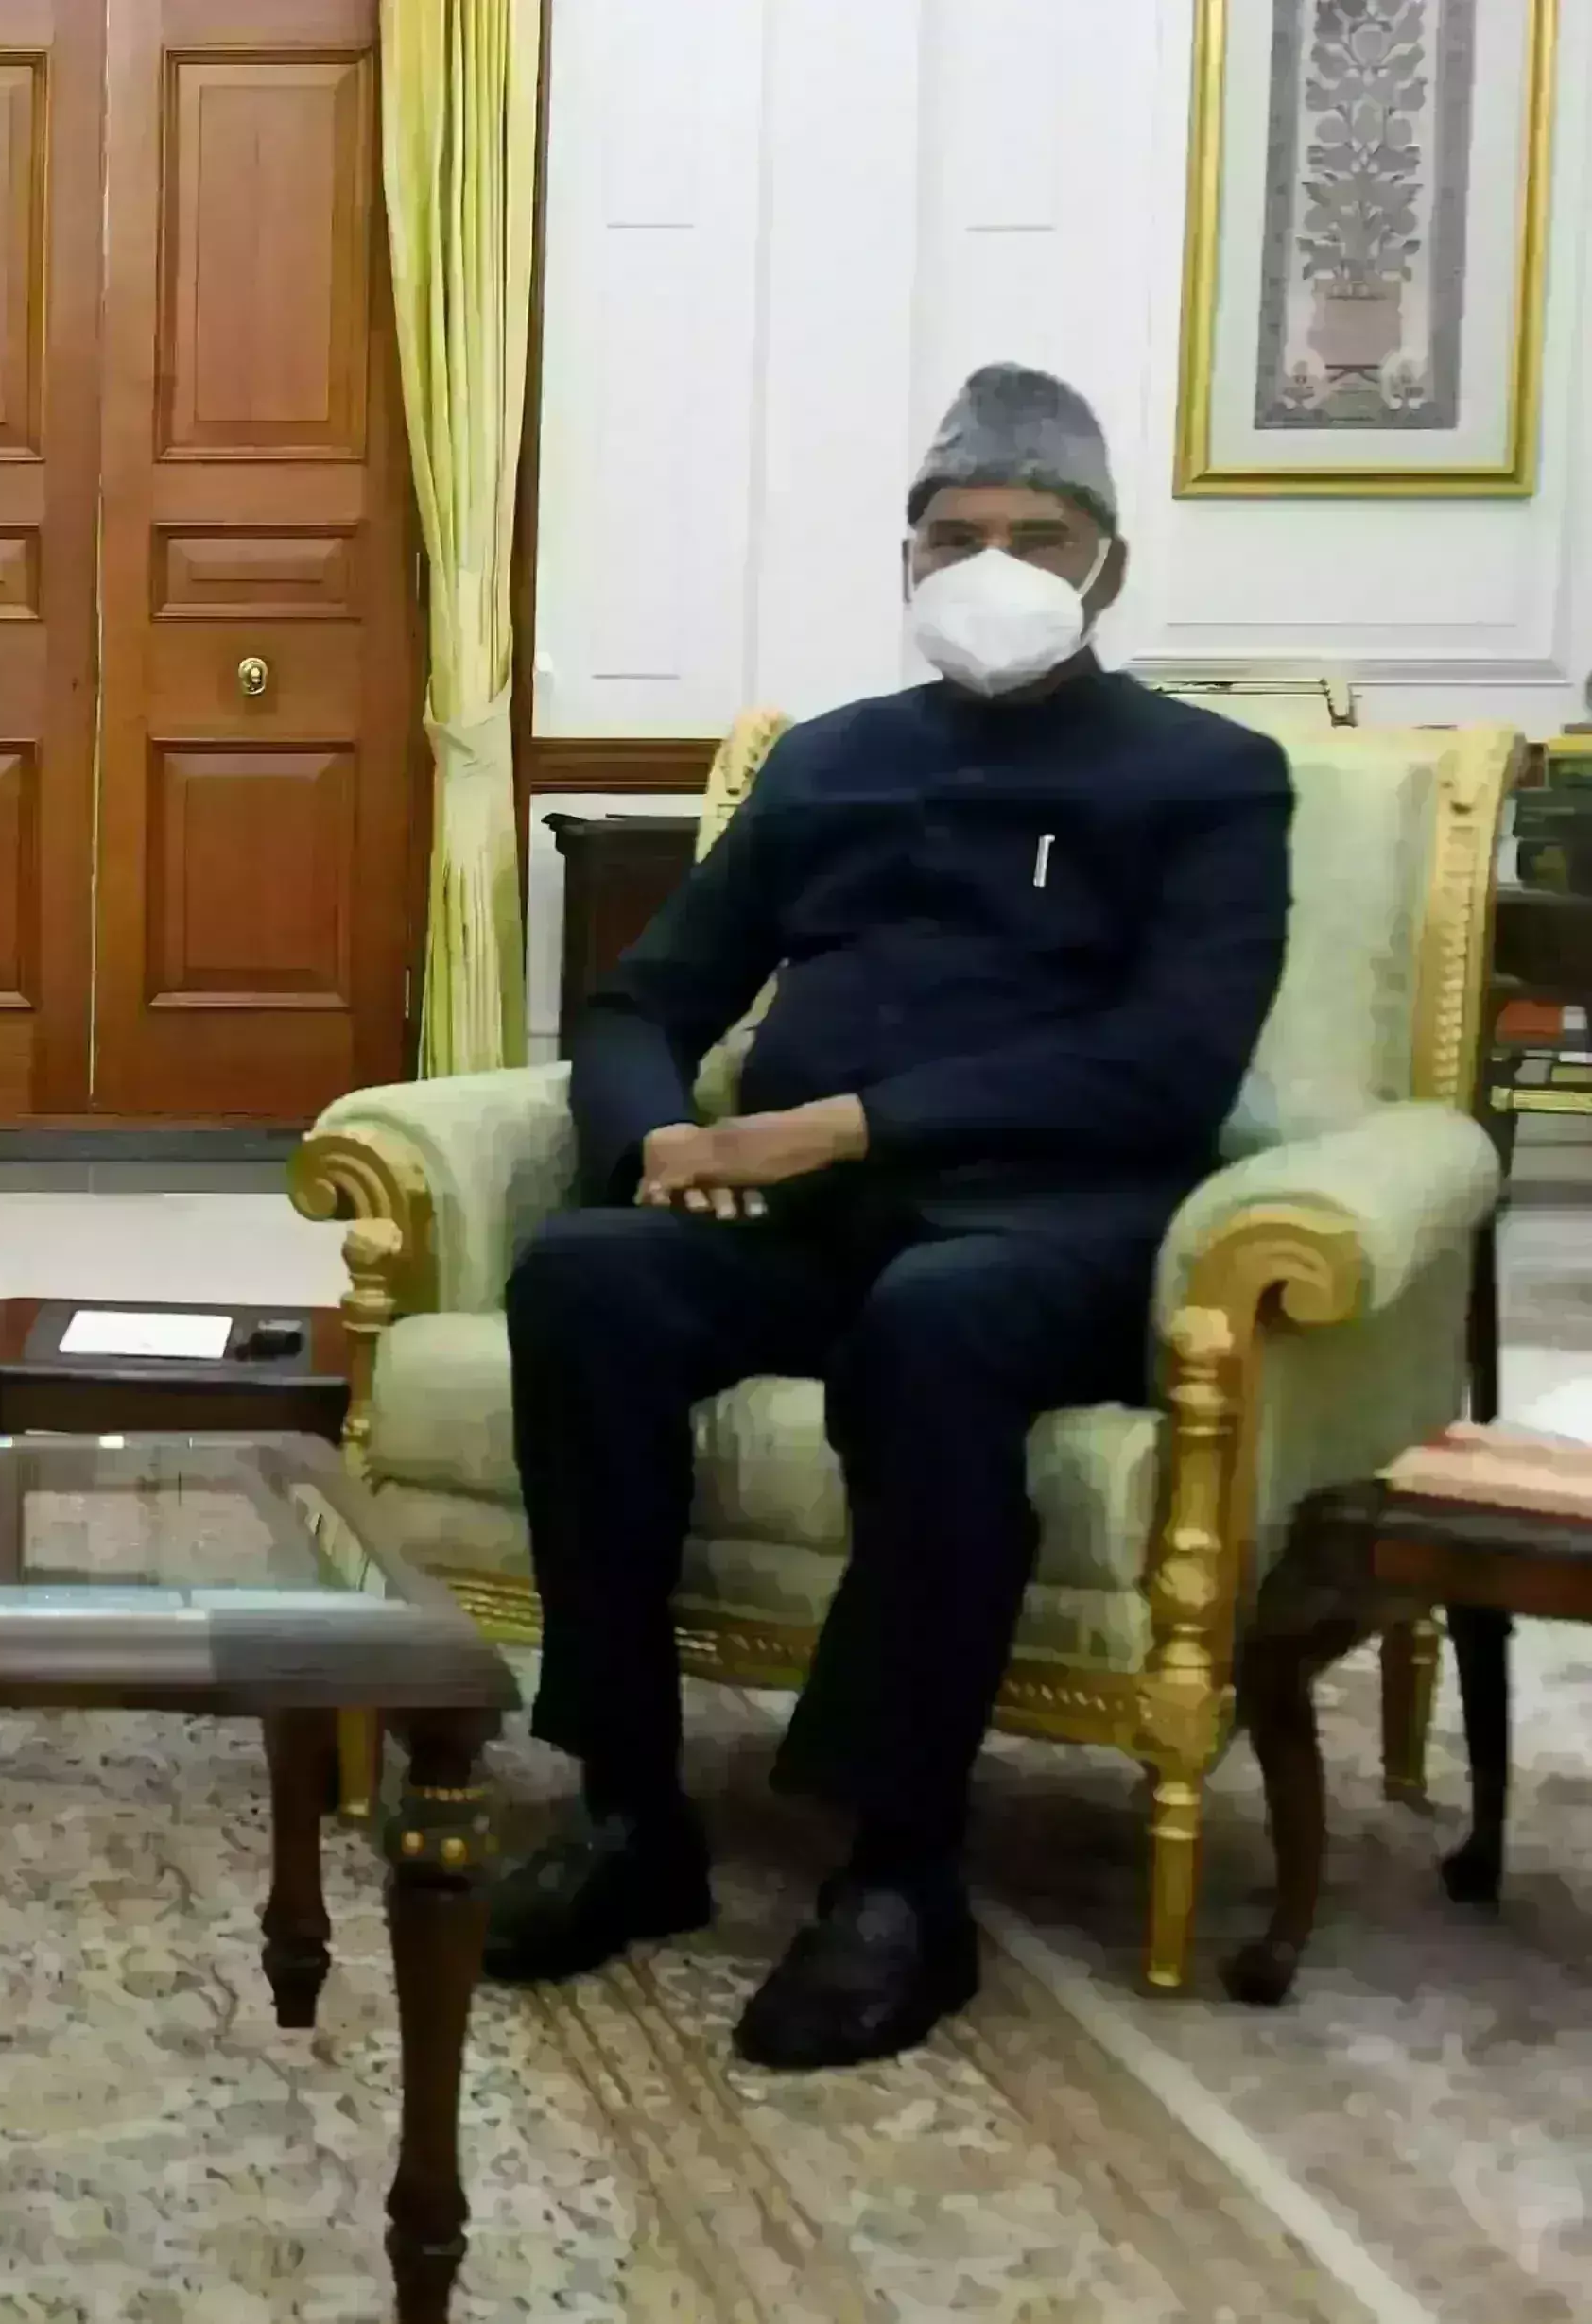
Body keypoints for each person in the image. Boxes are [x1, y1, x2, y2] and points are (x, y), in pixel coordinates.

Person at [483, 365, 1292, 2069]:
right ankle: (630, 1807)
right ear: (907, 560)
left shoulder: (1208, 777)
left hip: (1049, 1228)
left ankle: (900, 1873)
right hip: (812, 1220)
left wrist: (840, 1123)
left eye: (1036, 538)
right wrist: (656, 1139)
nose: (991, 566)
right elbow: (642, 999)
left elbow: (1168, 1067)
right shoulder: (830, 762)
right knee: (587, 1277)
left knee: (934, 1323)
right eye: (953, 535)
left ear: (1109, 566)